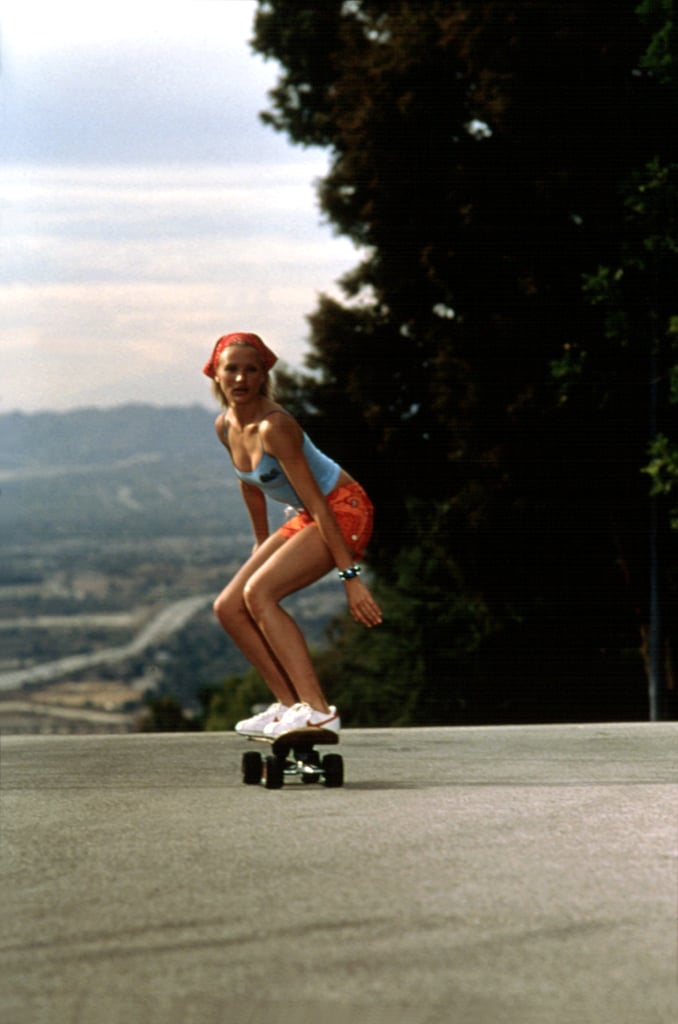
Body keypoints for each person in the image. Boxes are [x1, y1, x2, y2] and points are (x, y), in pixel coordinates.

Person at [204, 331, 382, 738]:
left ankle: (318, 710)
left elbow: (321, 505)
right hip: (308, 514)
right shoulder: (225, 426)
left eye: (252, 370)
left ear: (263, 376)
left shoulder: (275, 426)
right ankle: (288, 705)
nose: (240, 379)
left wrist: (350, 579)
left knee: (259, 594)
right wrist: (260, 541)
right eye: (231, 369)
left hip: (343, 510)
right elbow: (249, 483)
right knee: (228, 607)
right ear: (215, 372)